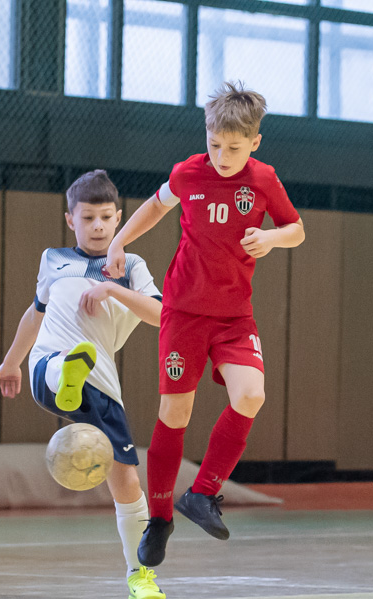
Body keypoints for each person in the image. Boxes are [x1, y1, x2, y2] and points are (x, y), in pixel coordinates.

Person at [104, 81, 305, 567]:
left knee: (251, 395)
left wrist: (271, 239)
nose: (222, 156)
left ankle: (203, 493)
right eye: (214, 144)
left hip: (234, 316)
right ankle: (159, 519)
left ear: (255, 142)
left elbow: (296, 229)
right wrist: (119, 241)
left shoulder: (263, 179)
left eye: (234, 148)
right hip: (184, 313)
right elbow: (156, 205)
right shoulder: (189, 172)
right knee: (175, 413)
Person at [0, 170, 167, 599]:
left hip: (100, 382)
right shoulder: (53, 259)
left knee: (126, 480)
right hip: (45, 364)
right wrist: (11, 363)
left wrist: (111, 289)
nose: (98, 226)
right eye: (87, 218)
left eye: (106, 217)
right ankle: (65, 374)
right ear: (70, 219)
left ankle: (140, 574)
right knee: (56, 366)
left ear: (119, 218)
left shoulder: (132, 266)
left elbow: (161, 316)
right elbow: (35, 315)